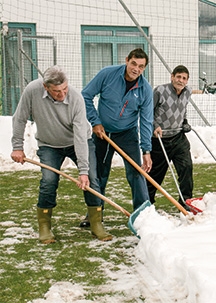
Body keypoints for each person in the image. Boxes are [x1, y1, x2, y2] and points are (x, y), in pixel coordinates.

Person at [12, 66, 112, 243]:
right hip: (49, 144)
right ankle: (44, 227)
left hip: (77, 142)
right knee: (49, 181)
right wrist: (17, 147)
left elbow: (81, 136)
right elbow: (19, 118)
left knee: (91, 178)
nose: (62, 93)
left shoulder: (76, 98)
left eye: (65, 88)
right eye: (57, 91)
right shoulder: (32, 91)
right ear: (46, 87)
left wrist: (82, 171)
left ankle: (96, 224)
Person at [82, 48, 153, 219]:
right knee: (98, 174)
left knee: (137, 173)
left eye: (141, 66)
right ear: (127, 60)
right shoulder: (107, 74)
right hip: (102, 133)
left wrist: (146, 150)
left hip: (127, 134)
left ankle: (142, 215)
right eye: (134, 63)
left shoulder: (145, 90)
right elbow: (85, 96)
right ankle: (94, 213)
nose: (136, 69)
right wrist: (95, 122)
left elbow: (146, 121)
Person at [148, 65, 194, 208]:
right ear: (172, 76)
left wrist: (184, 122)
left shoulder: (187, 92)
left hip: (178, 137)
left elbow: (183, 109)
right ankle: (147, 203)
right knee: (156, 174)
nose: (180, 80)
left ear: (187, 81)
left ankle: (185, 201)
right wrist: (155, 125)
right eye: (178, 77)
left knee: (186, 168)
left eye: (184, 78)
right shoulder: (160, 91)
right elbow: (147, 112)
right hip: (160, 139)